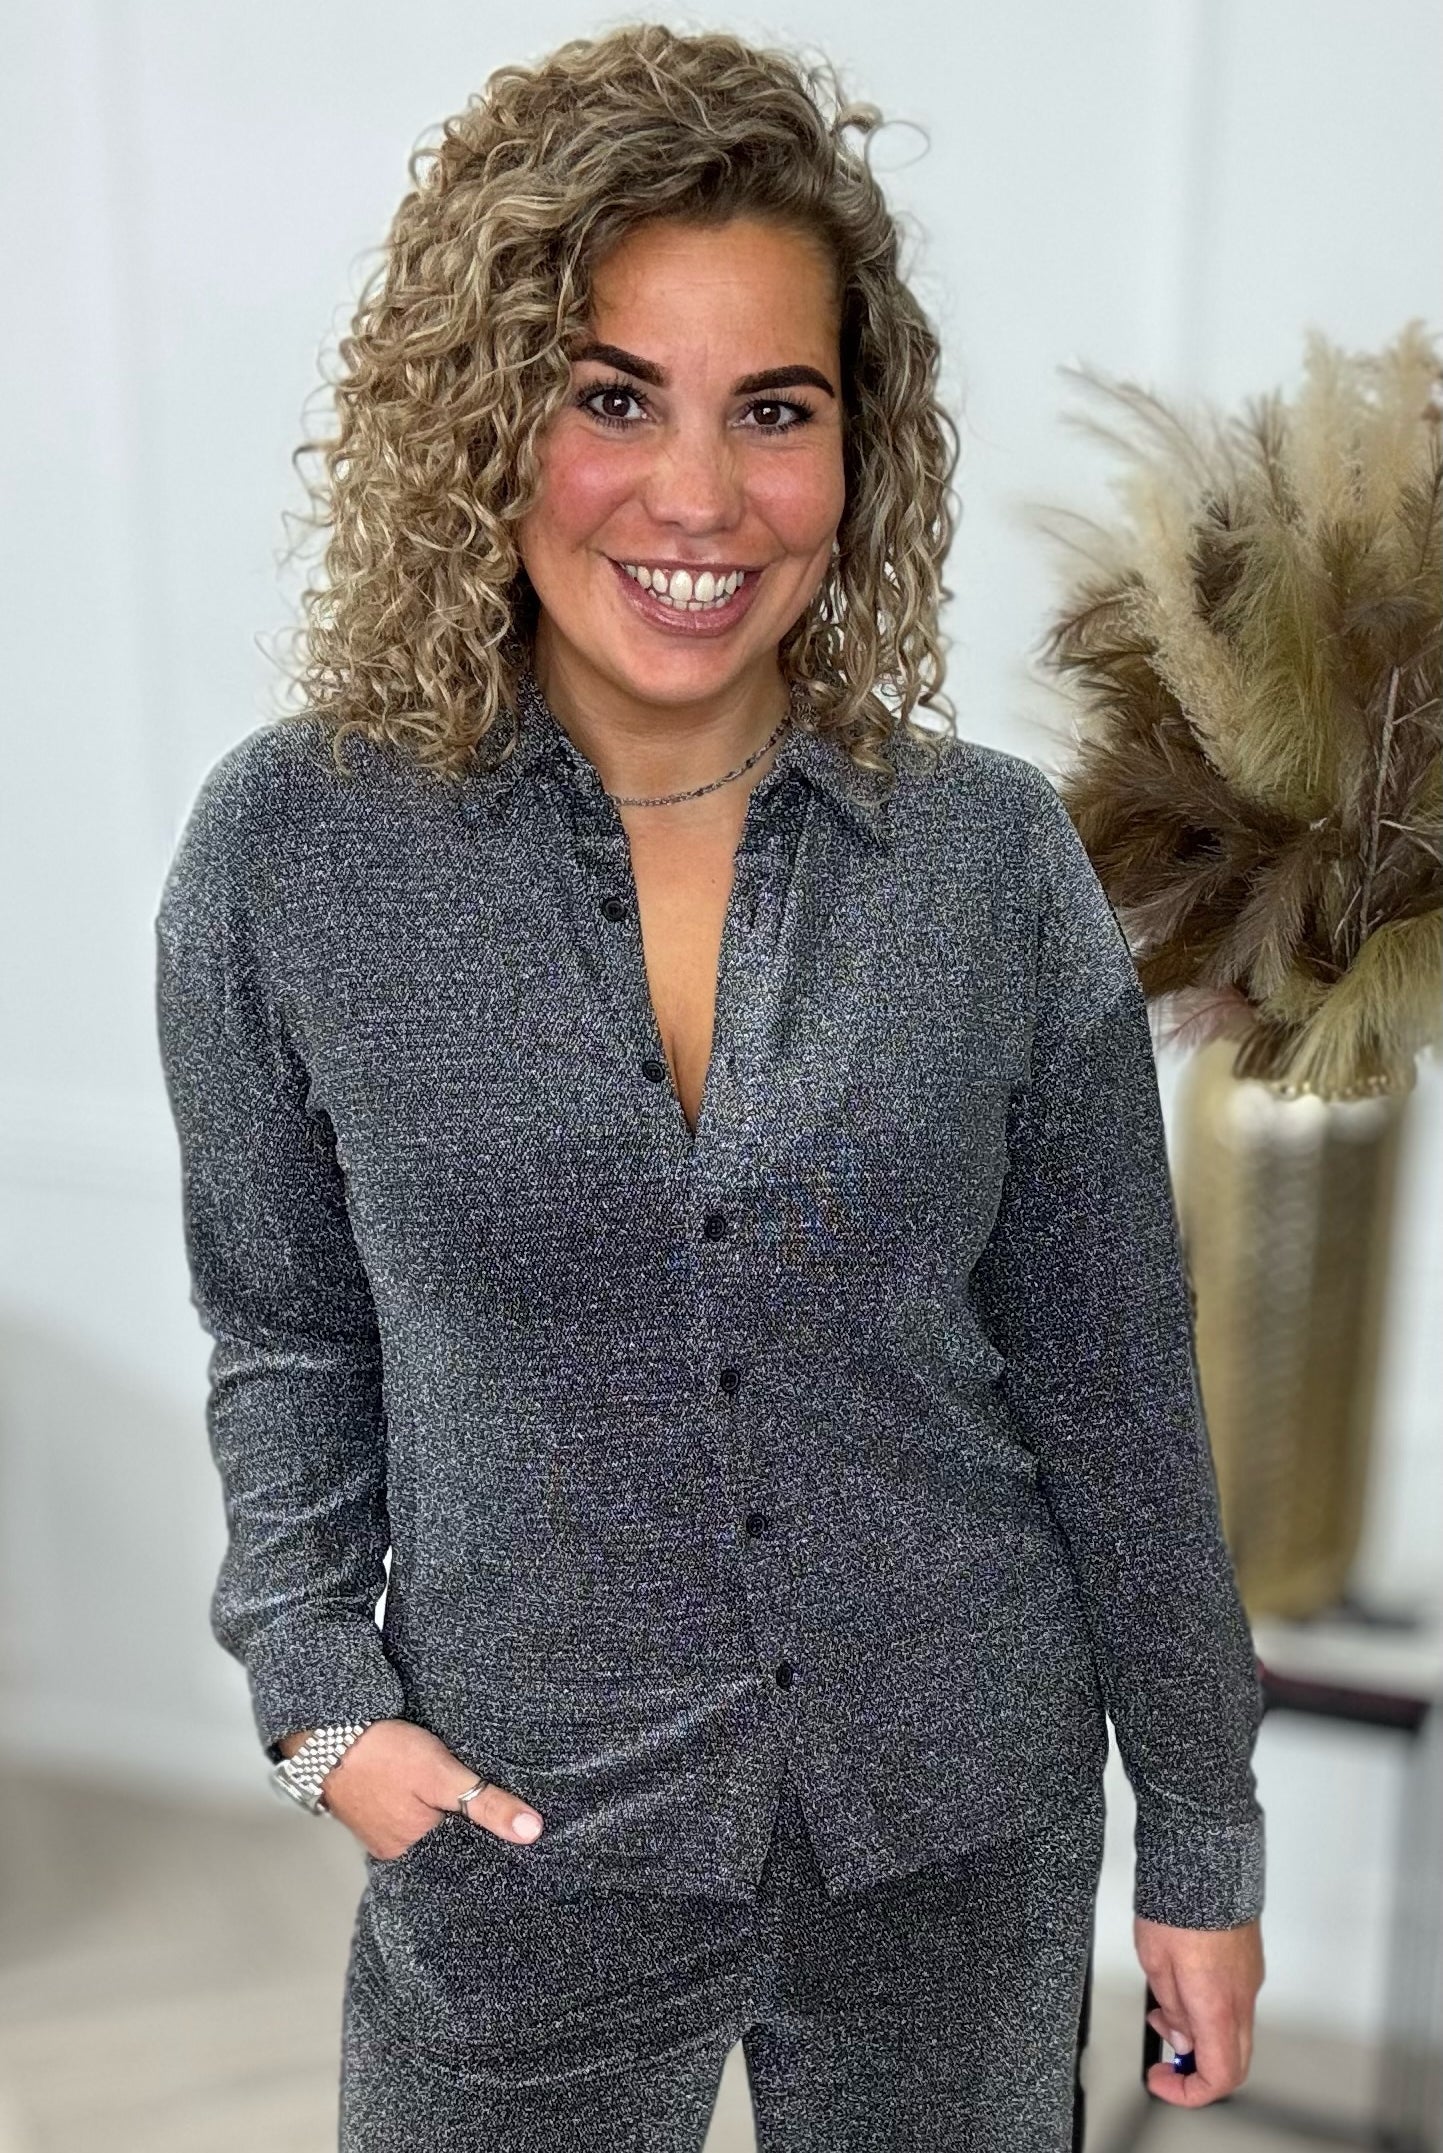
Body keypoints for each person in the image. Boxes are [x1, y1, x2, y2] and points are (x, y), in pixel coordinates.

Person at [154, 24, 1266, 2151]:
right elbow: (284, 1325)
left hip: (958, 1827)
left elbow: (1112, 1379)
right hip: (520, 1834)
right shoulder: (293, 852)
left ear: (858, 448)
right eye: (610, 397)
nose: (696, 496)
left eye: (773, 408)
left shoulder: (984, 859)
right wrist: (319, 1702)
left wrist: (1200, 1839)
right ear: (481, 418)